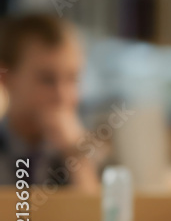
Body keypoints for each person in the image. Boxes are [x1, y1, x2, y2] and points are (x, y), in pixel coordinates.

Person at [0, 12, 100, 192]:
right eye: (47, 80)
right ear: (6, 78)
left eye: (73, 79)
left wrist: (77, 157)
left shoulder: (94, 155)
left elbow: (98, 217)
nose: (62, 96)